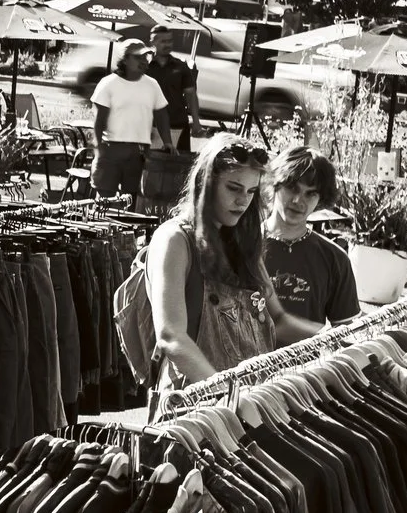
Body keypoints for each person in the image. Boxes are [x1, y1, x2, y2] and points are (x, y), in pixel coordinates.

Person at [145, 132, 316, 386]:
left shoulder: (243, 242)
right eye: (233, 188)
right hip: (191, 410)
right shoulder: (175, 240)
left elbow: (278, 319)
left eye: (251, 191)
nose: (242, 201)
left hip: (247, 404)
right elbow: (171, 336)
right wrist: (227, 393)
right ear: (206, 182)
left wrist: (332, 335)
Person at [260, 146, 361, 330]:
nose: (298, 200)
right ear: (275, 183)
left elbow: (345, 335)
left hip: (309, 360)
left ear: (321, 199)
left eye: (310, 193)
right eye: (292, 187)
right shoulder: (242, 246)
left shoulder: (335, 259)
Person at [90, 42, 168, 199]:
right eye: (138, 57)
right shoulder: (108, 83)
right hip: (111, 148)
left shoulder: (152, 85)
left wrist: (168, 142)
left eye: (146, 56)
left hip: (138, 153)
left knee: (131, 199)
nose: (144, 61)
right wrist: (99, 150)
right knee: (104, 200)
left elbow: (162, 114)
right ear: (125, 60)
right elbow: (99, 121)